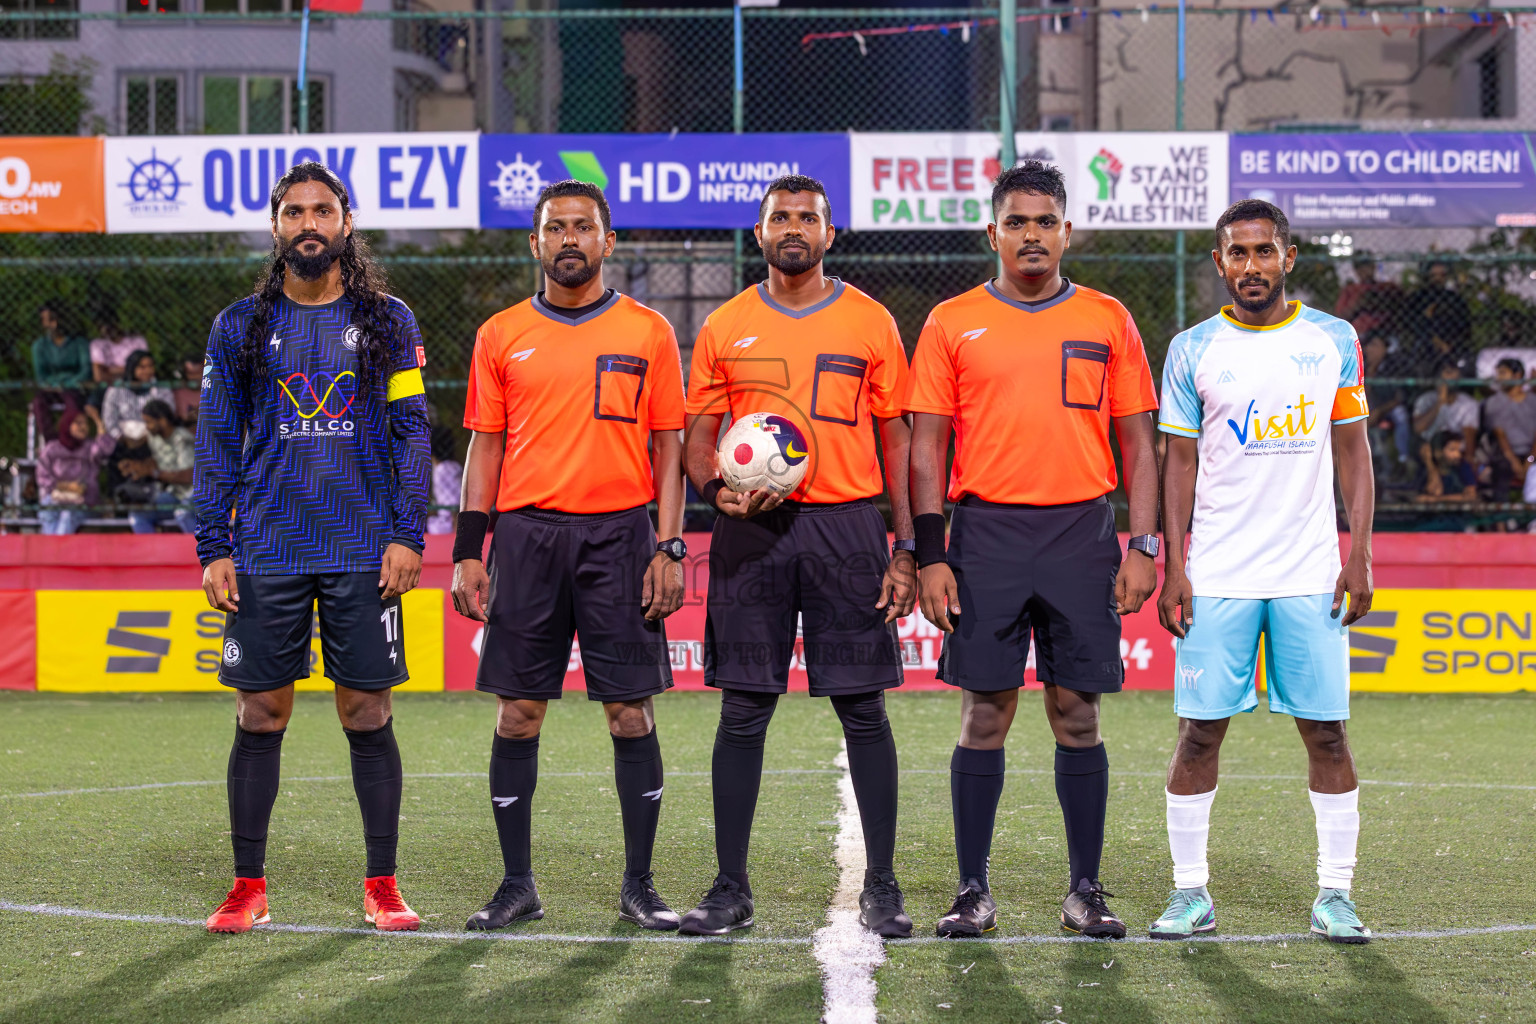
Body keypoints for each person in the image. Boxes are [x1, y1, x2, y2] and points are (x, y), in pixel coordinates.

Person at [907, 161, 1159, 939]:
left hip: (1081, 532)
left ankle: (1085, 889)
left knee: (1076, 712)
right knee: (986, 711)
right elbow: (925, 450)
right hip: (984, 535)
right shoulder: (951, 321)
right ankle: (972, 891)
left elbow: (1140, 446)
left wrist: (1143, 543)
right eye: (1017, 222)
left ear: (1066, 232)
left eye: (1045, 221)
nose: (1031, 235)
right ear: (993, 233)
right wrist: (930, 552)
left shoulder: (1108, 318)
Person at [195, 162, 431, 935]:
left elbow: (411, 433)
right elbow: (217, 441)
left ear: (346, 223)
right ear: (275, 228)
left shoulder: (390, 322)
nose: (308, 223)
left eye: (321, 210)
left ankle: (383, 884)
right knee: (260, 712)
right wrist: (213, 542)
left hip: (364, 545)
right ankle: (247, 886)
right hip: (266, 547)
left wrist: (407, 530)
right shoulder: (238, 327)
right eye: (293, 211)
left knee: (367, 710)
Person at [678, 174, 917, 939]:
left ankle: (881, 885)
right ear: (759, 234)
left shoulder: (871, 322)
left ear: (829, 233)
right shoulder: (725, 325)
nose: (793, 227)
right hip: (753, 533)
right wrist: (718, 493)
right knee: (744, 709)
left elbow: (899, 440)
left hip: (848, 525)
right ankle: (729, 887)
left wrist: (906, 546)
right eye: (779, 216)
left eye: (807, 217)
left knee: (863, 708)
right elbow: (697, 438)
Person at [451, 180, 687, 933]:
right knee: (518, 714)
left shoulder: (649, 331)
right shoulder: (500, 334)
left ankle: (640, 886)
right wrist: (468, 549)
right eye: (557, 228)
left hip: (621, 536)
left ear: (608, 242)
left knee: (628, 714)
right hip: (526, 539)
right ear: (536, 243)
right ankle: (517, 884)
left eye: (585, 227)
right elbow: (484, 448)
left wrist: (669, 545)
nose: (571, 239)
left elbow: (670, 448)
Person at [1154, 198, 1376, 944]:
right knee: (1197, 735)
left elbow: (1352, 451)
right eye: (1237, 254)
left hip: (1310, 571)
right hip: (1216, 573)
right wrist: (1175, 565)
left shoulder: (1334, 339)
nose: (1252, 266)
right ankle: (1190, 893)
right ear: (1218, 263)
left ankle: (1335, 895)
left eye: (1264, 251)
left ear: (1289, 257)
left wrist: (1360, 551)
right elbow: (1176, 462)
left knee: (1328, 736)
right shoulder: (1191, 348)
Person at [35, 405, 113, 536]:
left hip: (84, 501)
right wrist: (67, 486)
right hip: (56, 497)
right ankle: (53, 552)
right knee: (47, 510)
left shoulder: (89, 448)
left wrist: (98, 422)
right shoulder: (52, 449)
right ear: (67, 425)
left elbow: (105, 449)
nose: (83, 427)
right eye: (78, 423)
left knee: (68, 515)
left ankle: (54, 554)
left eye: (85, 424)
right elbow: (42, 477)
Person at [122, 400, 195, 534]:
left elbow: (188, 476)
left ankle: (201, 553)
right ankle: (151, 554)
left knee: (183, 513)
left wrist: (153, 473)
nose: (146, 427)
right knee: (138, 515)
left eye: (149, 422)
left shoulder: (182, 438)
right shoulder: (153, 437)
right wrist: (138, 467)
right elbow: (159, 461)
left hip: (197, 493)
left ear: (162, 421)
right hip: (175, 493)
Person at [31, 302, 92, 442]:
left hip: (74, 386)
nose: (53, 324)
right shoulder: (40, 346)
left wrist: (69, 383)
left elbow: (86, 370)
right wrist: (54, 384)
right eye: (48, 320)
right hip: (51, 387)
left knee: (72, 399)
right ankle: (50, 440)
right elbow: (41, 375)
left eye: (55, 318)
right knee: (38, 402)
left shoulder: (79, 343)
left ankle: (71, 438)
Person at [1405, 261, 1472, 375]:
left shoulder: (1455, 299)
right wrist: (1435, 340)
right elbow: (1412, 324)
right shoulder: (1417, 298)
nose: (1438, 279)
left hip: (1452, 344)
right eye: (1434, 275)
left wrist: (1451, 343)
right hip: (1425, 343)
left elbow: (1464, 327)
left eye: (1442, 275)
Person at [1482, 358, 1536, 501]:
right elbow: (1500, 435)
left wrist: (1529, 460)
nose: (1499, 378)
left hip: (1530, 453)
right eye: (1498, 374)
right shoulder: (1494, 402)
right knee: (1502, 468)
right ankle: (1501, 521)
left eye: (1503, 373)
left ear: (1517, 375)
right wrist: (1514, 462)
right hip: (1506, 453)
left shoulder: (1533, 401)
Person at [1411, 361, 1479, 457]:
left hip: (1455, 451)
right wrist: (1439, 402)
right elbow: (1418, 428)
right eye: (1448, 372)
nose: (1453, 378)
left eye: (1456, 373)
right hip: (1429, 451)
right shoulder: (1425, 399)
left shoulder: (1468, 403)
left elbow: (1469, 439)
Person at [102, 350, 173, 440]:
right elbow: (109, 421)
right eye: (142, 367)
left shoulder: (162, 388)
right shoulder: (116, 390)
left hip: (156, 437)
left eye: (150, 366)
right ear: (132, 368)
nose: (148, 371)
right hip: (123, 440)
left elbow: (168, 416)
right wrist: (122, 439)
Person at [1333, 255, 1401, 342]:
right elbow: (1340, 316)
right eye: (1361, 268)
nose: (1365, 271)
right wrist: (1358, 301)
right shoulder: (1350, 290)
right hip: (1359, 332)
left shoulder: (1387, 287)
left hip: (1385, 331)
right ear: (1356, 271)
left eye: (1368, 266)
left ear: (1373, 267)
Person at [89, 309, 149, 384]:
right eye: (100, 325)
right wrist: (131, 369)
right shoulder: (97, 344)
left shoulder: (137, 340)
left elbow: (145, 370)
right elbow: (99, 376)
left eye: (109, 323)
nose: (106, 328)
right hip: (110, 388)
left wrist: (109, 370)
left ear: (117, 321)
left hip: (138, 385)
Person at [1416, 432, 1479, 503]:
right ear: (1438, 452)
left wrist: (1437, 499)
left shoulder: (1463, 466)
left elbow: (1470, 496)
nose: (1458, 455)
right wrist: (1429, 464)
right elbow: (1435, 491)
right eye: (1452, 450)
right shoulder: (1427, 470)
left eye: (1459, 450)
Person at [173, 355, 205, 427]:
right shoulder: (179, 393)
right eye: (191, 374)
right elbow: (183, 416)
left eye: (199, 373)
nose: (195, 377)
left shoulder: (212, 389)